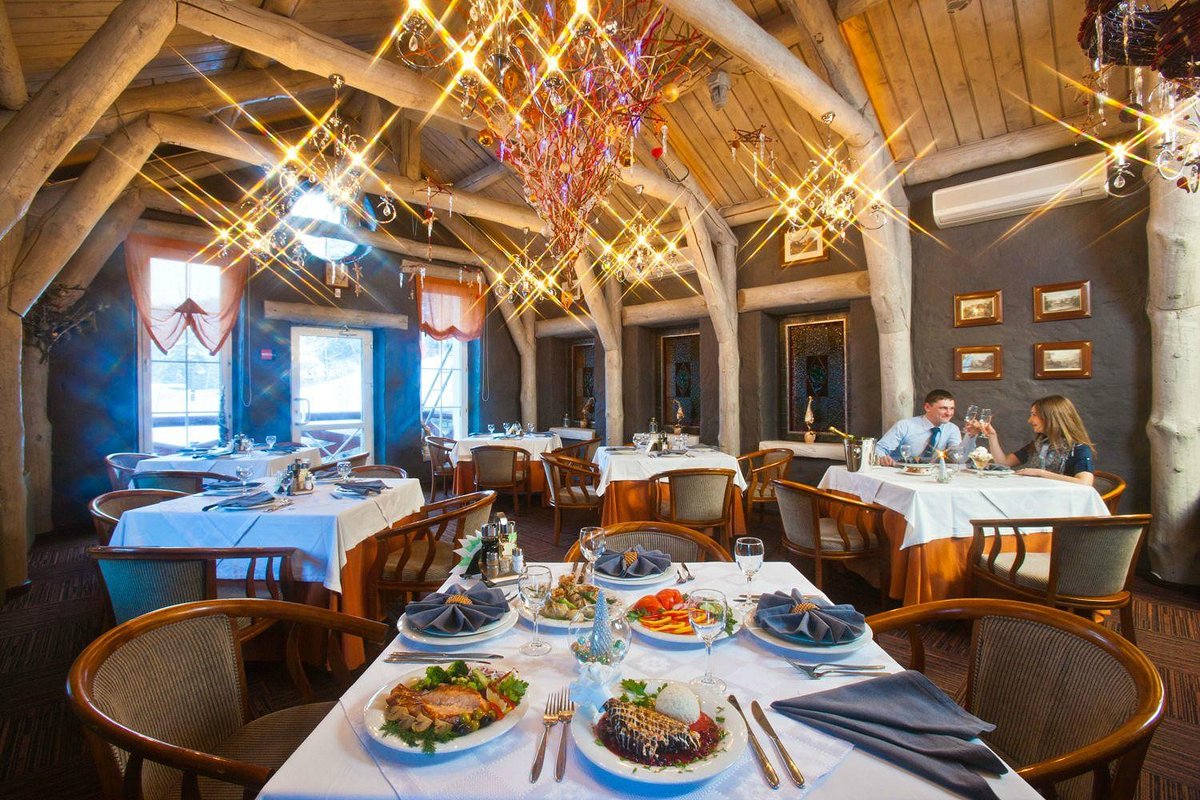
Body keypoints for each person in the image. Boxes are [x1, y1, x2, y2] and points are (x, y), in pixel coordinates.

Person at [978, 395, 1095, 486]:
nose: (1029, 420)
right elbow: (1003, 463)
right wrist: (992, 436)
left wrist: (1040, 473)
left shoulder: (1078, 448)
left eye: (1034, 415)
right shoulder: (1040, 444)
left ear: (1051, 417)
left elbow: (1085, 482)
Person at [876, 389, 964, 466]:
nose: (949, 413)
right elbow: (879, 449)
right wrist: (882, 457)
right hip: (898, 472)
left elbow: (957, 457)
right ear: (927, 407)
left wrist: (970, 436)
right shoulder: (905, 425)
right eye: (943, 408)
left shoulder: (952, 429)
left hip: (930, 475)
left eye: (952, 408)